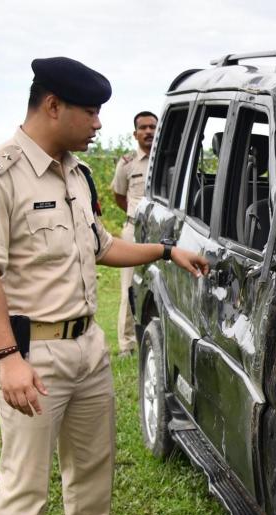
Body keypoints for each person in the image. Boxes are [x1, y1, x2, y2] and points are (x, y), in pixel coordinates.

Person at [0, 57, 209, 515]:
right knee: (25, 479)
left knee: (92, 462)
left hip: (86, 346)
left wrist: (165, 251)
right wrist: (7, 358)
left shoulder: (76, 174)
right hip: (33, 355)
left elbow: (101, 246)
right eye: (90, 111)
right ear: (52, 106)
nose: (100, 123)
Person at [110, 111, 158, 356]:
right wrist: (135, 216)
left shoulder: (167, 159)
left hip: (161, 230)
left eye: (152, 127)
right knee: (128, 285)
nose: (148, 132)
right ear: (135, 133)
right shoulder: (127, 162)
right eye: (143, 128)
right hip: (134, 230)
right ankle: (127, 344)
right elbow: (119, 195)